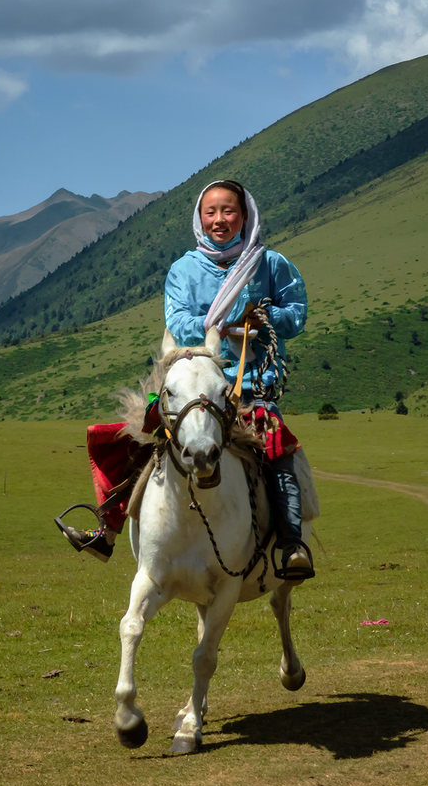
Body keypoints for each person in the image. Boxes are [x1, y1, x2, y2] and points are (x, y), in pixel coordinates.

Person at [59, 179, 315, 580]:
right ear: (199, 218)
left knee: (277, 450)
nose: (219, 220)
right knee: (145, 438)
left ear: (244, 215)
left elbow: (296, 314)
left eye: (228, 211)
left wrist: (262, 319)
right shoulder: (183, 269)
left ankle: (291, 544)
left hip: (249, 387)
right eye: (210, 212)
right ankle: (108, 528)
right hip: (195, 380)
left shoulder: (270, 264)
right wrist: (224, 325)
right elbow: (177, 321)